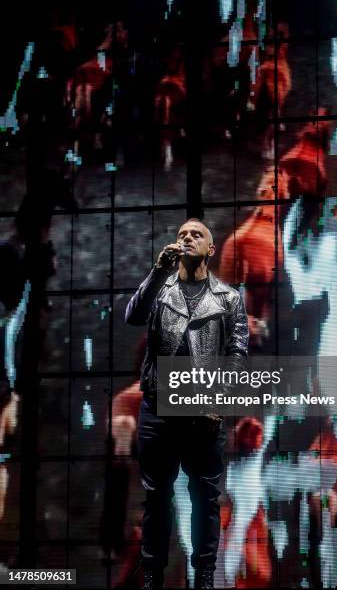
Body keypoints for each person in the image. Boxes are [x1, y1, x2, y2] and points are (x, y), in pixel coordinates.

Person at [125, 218, 248, 589]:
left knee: (205, 499)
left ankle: (205, 576)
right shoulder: (160, 290)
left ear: (211, 249)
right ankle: (152, 575)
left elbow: (237, 353)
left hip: (202, 412)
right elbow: (133, 315)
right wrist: (158, 270)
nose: (187, 237)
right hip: (159, 408)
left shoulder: (228, 298)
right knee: (156, 496)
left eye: (196, 234)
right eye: (182, 234)